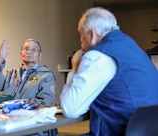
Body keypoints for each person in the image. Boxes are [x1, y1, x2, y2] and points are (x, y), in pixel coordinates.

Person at [60, 7, 158, 136]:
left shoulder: (98, 55)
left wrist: (74, 69)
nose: (80, 41)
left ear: (91, 34)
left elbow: (71, 109)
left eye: (80, 34)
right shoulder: (131, 46)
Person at [0, 38, 56, 105]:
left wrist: (18, 105)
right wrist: (1, 58)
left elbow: (45, 101)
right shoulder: (12, 74)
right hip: (8, 115)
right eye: (26, 49)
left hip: (30, 116)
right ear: (20, 54)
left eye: (34, 49)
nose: (29, 52)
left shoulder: (46, 76)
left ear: (40, 55)